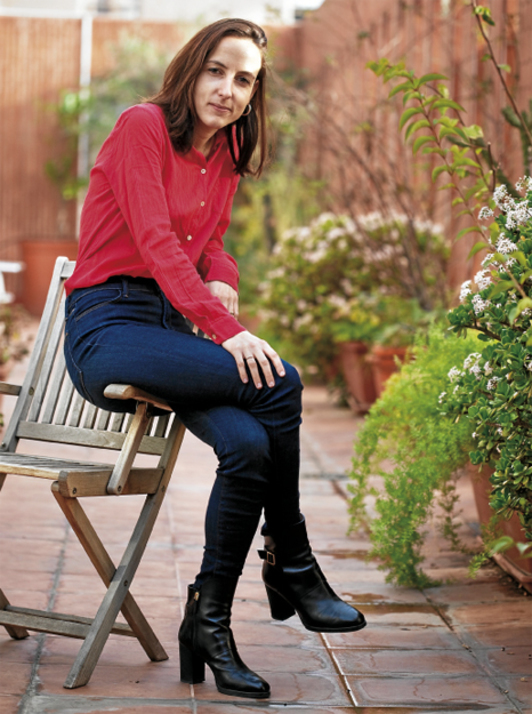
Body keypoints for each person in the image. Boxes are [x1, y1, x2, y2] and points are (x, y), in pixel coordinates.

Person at [64, 18, 366, 700]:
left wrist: (222, 274)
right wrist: (226, 328)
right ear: (192, 67)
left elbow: (211, 241)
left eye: (245, 80)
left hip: (169, 329)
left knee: (251, 447)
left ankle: (209, 622)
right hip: (107, 327)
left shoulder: (225, 151)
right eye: (217, 71)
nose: (228, 90)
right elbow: (154, 240)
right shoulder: (142, 126)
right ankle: (292, 562)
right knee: (280, 382)